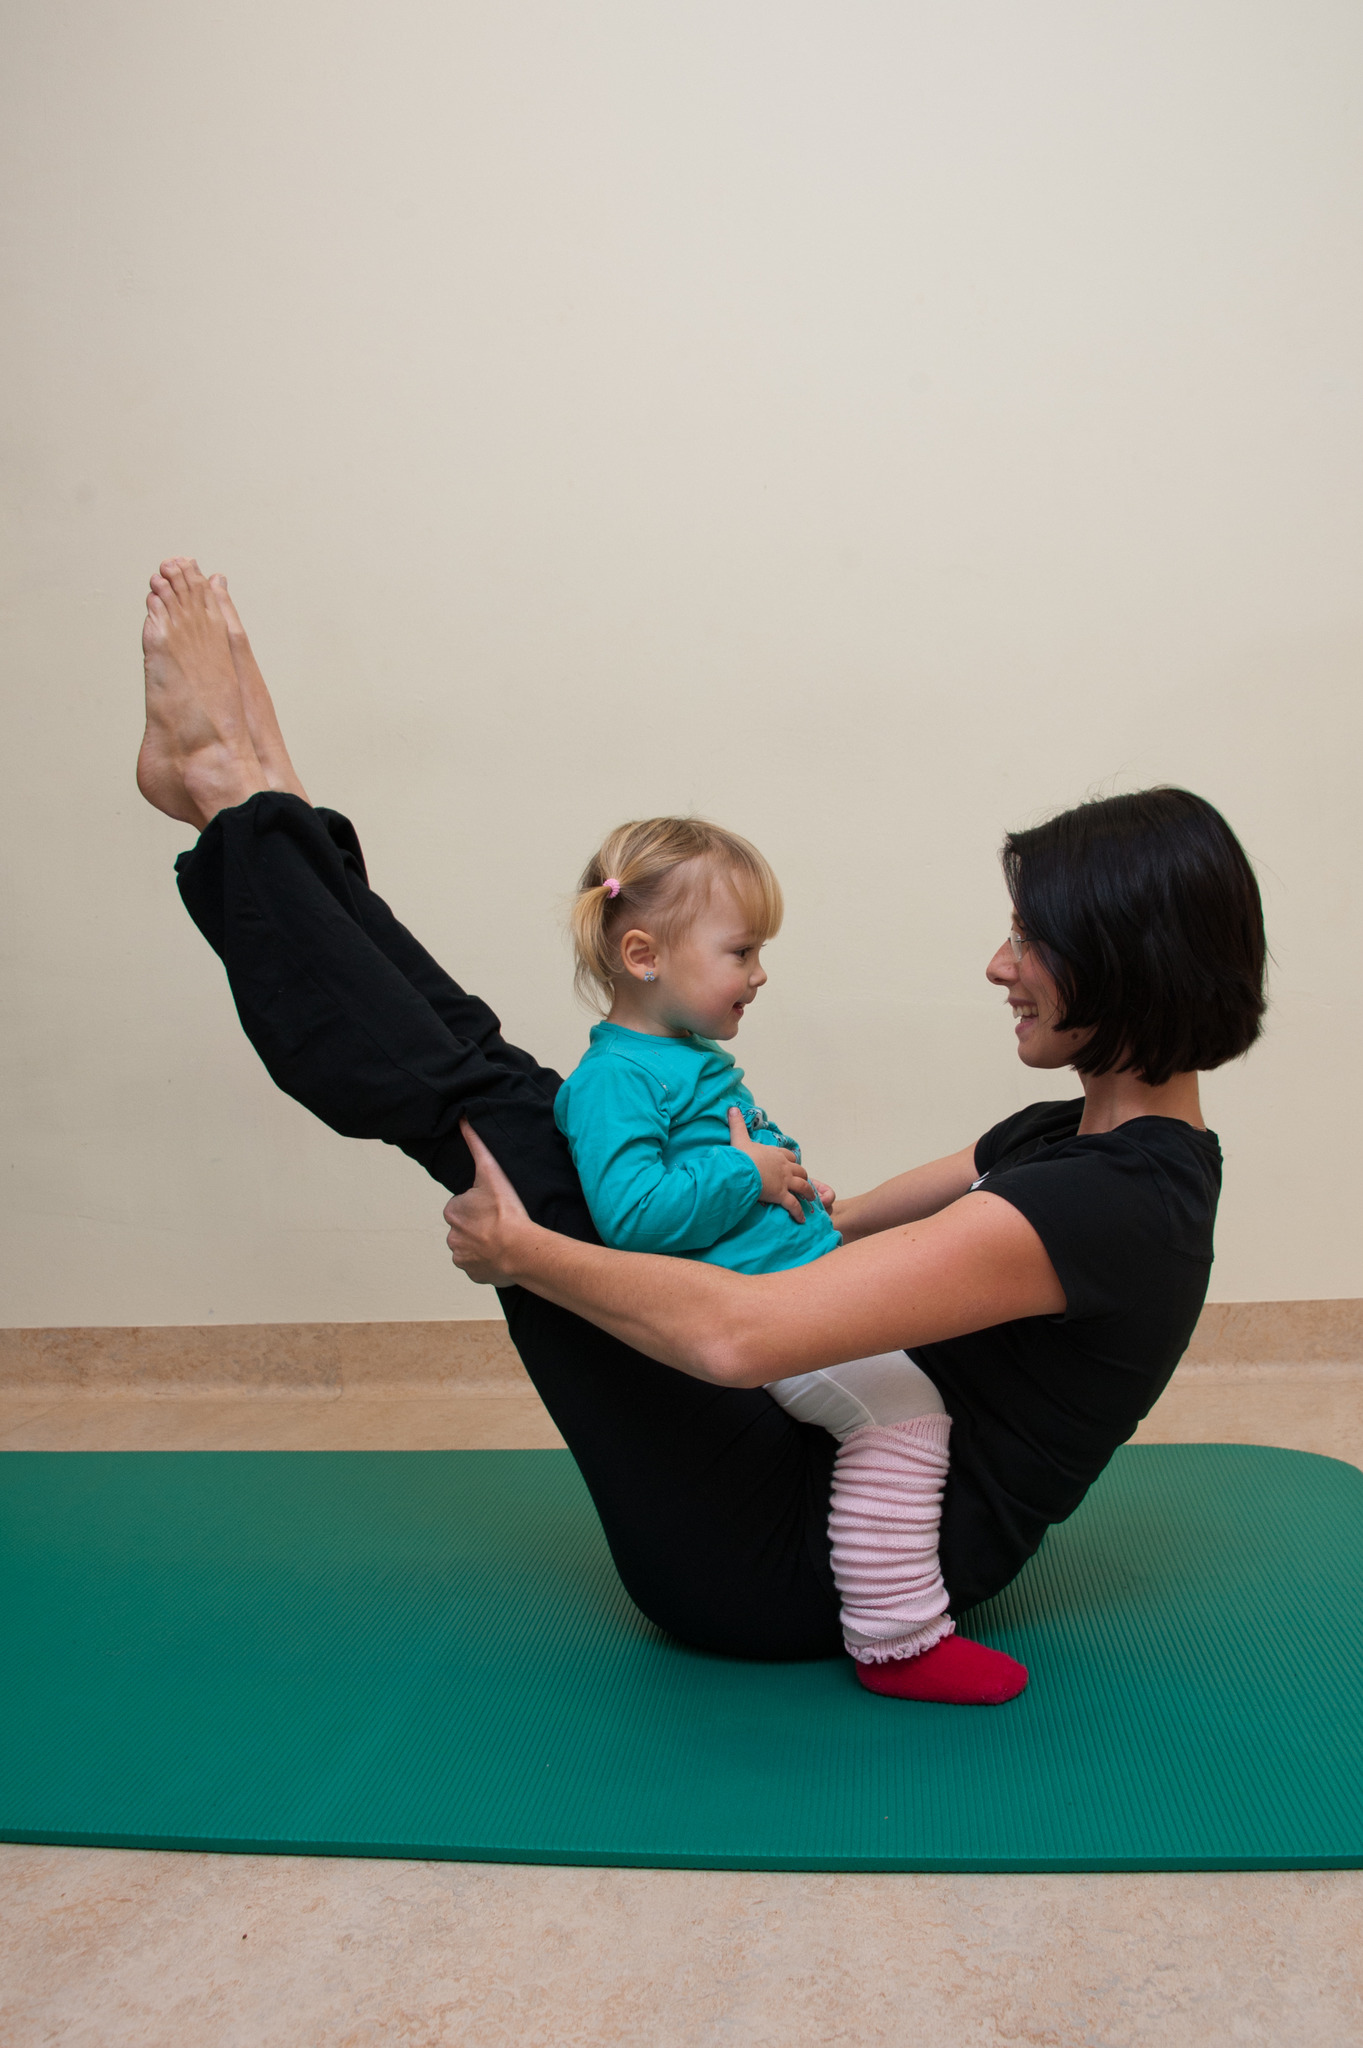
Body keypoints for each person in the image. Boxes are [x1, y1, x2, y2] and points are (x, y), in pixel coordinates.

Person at [137, 556, 1267, 1689]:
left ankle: (240, 800)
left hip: (795, 1564)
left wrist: (524, 1253)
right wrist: (768, 1180)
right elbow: (863, 1219)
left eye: (1031, 938)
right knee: (518, 1093)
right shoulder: (1069, 1139)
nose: (997, 963)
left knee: (493, 1129)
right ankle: (260, 808)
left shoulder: (1112, 1204)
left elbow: (737, 1337)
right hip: (810, 1469)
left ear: (1127, 961)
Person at [556, 815, 1027, 1703]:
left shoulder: (684, 1059)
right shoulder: (613, 1081)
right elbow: (631, 1216)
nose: (759, 973)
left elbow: (733, 1165)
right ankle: (898, 1641)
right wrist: (746, 1171)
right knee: (903, 1417)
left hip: (802, 1278)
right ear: (644, 955)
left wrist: (791, 1185)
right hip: (764, 1310)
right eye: (740, 951)